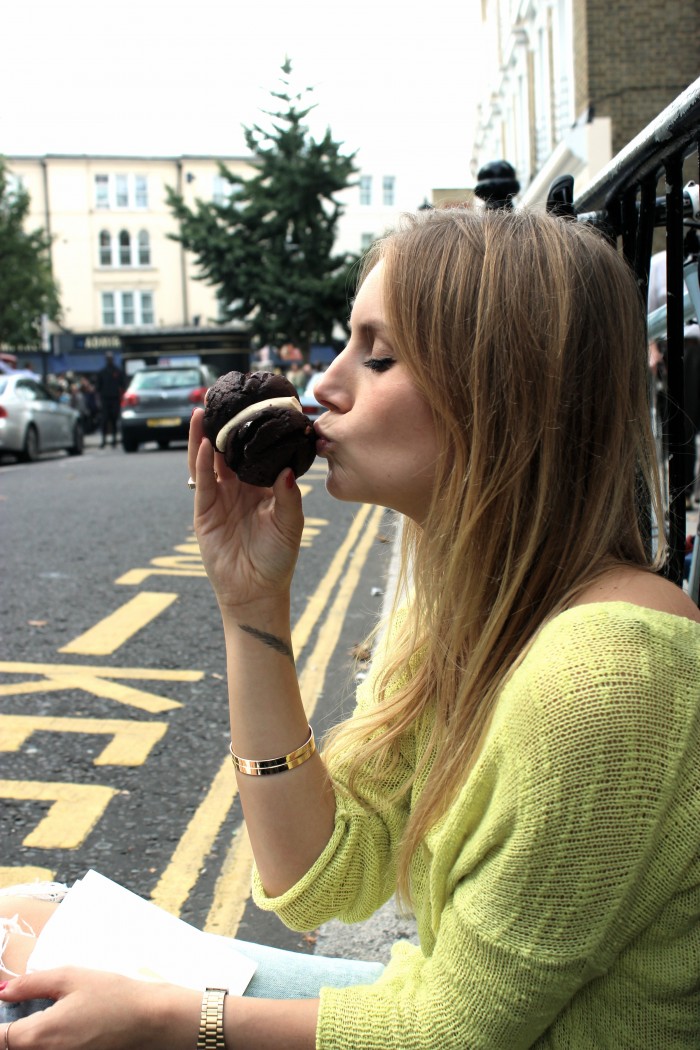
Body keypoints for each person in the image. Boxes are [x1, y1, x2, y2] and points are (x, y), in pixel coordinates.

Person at [2, 208, 699, 1049]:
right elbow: (316, 875)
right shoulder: (467, 612)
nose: (323, 387)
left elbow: (453, 1033)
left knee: (27, 999)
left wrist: (168, 1021)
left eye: (378, 356)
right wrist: (251, 606)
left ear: (501, 390)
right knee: (21, 920)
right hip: (449, 1007)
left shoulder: (604, 680)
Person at [95, 352, 125, 448]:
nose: (109, 360)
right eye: (108, 358)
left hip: (115, 398)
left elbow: (123, 385)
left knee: (114, 419)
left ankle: (114, 440)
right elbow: (98, 387)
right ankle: (104, 440)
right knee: (104, 420)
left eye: (110, 358)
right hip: (105, 399)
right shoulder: (102, 372)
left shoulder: (118, 371)